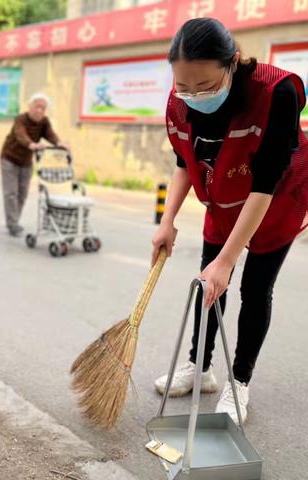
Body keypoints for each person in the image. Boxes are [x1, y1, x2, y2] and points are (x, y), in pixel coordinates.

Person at [151, 18, 308, 425]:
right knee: (209, 288)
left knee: (255, 289)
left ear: (233, 62)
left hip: (274, 202)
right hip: (223, 201)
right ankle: (199, 368)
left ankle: (240, 381)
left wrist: (227, 260)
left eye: (204, 86)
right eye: (183, 86)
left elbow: (267, 180)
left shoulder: (278, 91)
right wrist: (167, 221)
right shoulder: (180, 98)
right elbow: (185, 161)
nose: (192, 95)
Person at [0, 93, 68, 237]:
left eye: (43, 108)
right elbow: (20, 134)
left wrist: (59, 143)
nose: (40, 111)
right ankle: (13, 224)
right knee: (11, 193)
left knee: (22, 194)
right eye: (37, 107)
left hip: (26, 162)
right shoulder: (20, 119)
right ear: (30, 107)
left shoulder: (44, 122)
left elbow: (50, 134)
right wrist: (31, 144)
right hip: (9, 159)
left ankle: (13, 221)